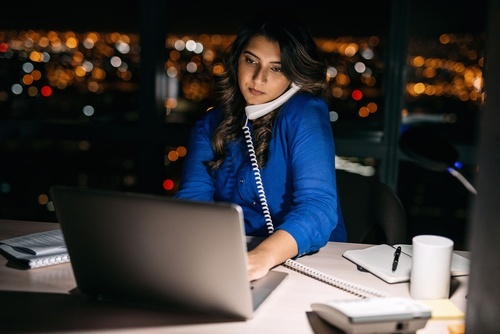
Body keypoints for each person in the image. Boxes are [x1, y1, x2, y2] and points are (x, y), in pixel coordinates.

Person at [174, 13, 347, 281]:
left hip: (312, 262)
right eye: (251, 61)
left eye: (276, 68)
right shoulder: (209, 125)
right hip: (233, 259)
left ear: (295, 77)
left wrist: (260, 258)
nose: (258, 78)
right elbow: (192, 202)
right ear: (237, 61)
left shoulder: (305, 113)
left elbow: (318, 207)